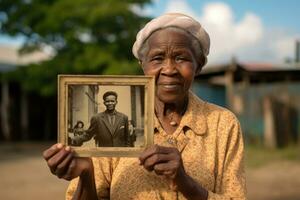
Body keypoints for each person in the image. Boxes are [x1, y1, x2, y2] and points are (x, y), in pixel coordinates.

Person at [43, 13, 246, 200]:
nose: (169, 69)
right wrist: (86, 173)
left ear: (199, 65)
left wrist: (185, 182)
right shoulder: (109, 126)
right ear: (143, 65)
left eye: (181, 58)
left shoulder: (222, 124)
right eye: (157, 58)